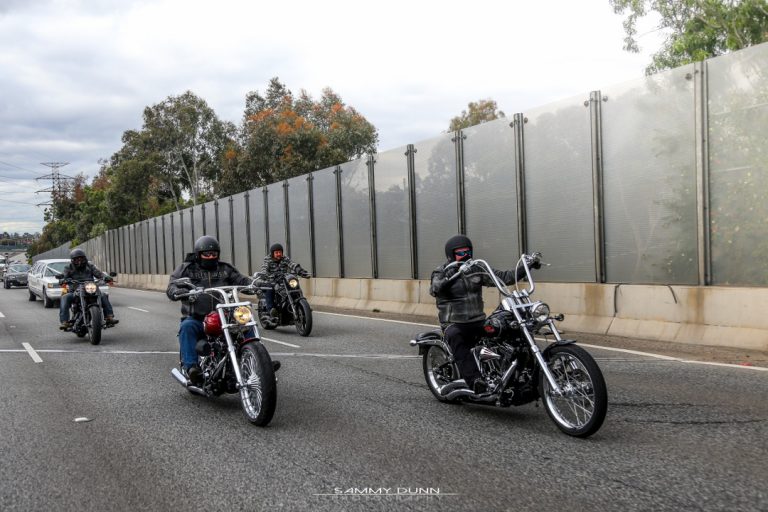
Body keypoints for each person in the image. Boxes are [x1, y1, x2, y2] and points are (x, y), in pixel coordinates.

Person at [429, 235, 538, 394]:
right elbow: (436, 289)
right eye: (460, 253)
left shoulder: (477, 268)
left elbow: (504, 277)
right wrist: (455, 273)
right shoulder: (441, 271)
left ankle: (523, 372)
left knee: (512, 327)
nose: (465, 256)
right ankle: (476, 382)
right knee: (455, 335)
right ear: (451, 255)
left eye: (467, 252)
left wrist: (527, 267)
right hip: (454, 323)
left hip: (478, 321)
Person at [166, 235, 259, 385]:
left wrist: (256, 284)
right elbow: (173, 285)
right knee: (187, 327)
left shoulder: (225, 269)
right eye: (206, 254)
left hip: (225, 316)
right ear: (198, 254)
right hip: (198, 318)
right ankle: (192, 368)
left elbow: (243, 281)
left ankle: (259, 361)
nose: (211, 257)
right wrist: (176, 291)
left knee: (246, 322)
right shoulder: (187, 268)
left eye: (214, 254)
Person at [59, 248, 117, 329]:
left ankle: (109, 317)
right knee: (65, 297)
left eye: (81, 258)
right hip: (75, 290)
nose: (79, 261)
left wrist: (106, 277)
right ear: (72, 260)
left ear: (84, 258)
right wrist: (63, 280)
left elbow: (99, 274)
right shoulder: (68, 268)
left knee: (103, 295)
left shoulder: (90, 266)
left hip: (90, 288)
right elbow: (64, 275)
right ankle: (64, 321)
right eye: (77, 259)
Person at [256, 243, 310, 321]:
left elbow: (292, 264)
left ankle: (303, 306)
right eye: (276, 252)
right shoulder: (267, 259)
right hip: (272, 280)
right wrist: (265, 275)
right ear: (272, 253)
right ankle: (271, 310)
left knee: (294, 286)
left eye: (280, 252)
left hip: (283, 280)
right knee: (270, 288)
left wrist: (300, 271)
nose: (278, 254)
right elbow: (264, 269)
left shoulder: (284, 258)